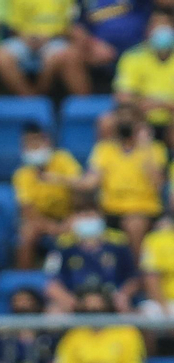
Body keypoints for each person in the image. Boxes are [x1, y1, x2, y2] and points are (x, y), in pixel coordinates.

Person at [83, 106, 166, 255]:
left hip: (144, 210)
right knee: (79, 222)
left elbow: (158, 185)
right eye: (122, 120)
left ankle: (137, 272)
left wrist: (145, 147)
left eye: (130, 121)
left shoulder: (155, 149)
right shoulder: (104, 149)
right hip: (111, 211)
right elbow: (89, 183)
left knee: (134, 224)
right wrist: (57, 179)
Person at [14, 123, 84, 269]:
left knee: (83, 226)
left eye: (36, 141)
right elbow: (28, 212)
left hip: (69, 215)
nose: (33, 146)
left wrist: (72, 218)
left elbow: (80, 187)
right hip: (40, 220)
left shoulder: (63, 159)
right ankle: (25, 279)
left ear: (47, 142)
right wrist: (54, 228)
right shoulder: (22, 174)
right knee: (26, 233)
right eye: (28, 143)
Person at [44, 207, 138, 312]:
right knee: (54, 312)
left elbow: (133, 279)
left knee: (126, 307)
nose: (88, 220)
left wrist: (123, 295)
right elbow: (51, 283)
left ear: (101, 218)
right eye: (84, 216)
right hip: (75, 297)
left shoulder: (118, 245)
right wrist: (69, 300)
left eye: (92, 216)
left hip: (111, 297)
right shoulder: (62, 246)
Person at [0, 0, 89, 96]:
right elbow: (13, 27)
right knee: (1, 56)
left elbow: (71, 25)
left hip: (55, 39)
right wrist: (27, 38)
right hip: (23, 40)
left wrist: (49, 36)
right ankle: (29, 99)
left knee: (67, 56)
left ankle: (84, 104)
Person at [51, 286, 146, 363]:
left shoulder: (127, 332)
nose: (94, 312)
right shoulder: (73, 335)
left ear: (109, 307)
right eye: (89, 311)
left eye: (99, 310)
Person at [112, 14, 174, 147]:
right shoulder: (133, 57)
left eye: (166, 26)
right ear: (148, 31)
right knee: (109, 121)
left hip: (171, 116)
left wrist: (161, 104)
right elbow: (123, 97)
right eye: (157, 26)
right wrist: (143, 106)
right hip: (141, 115)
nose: (162, 31)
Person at [0, 286, 58, 363]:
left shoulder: (48, 336)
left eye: (27, 300)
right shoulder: (3, 335)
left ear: (37, 303)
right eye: (17, 300)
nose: (22, 304)